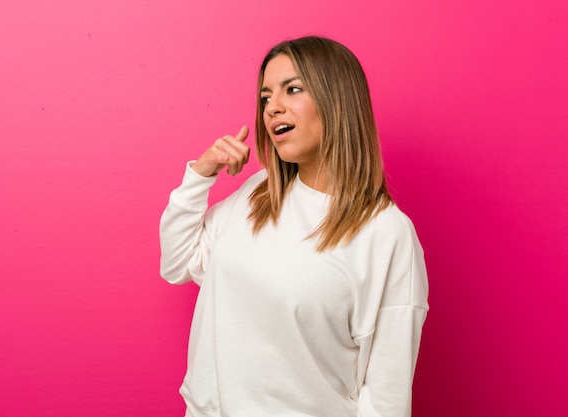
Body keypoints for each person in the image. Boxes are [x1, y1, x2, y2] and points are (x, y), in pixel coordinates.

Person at [159, 36, 429, 417]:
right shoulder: (259, 192)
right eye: (266, 96)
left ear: (337, 101)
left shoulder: (386, 234)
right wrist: (200, 175)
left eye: (293, 89)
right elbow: (176, 263)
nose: (272, 108)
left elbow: (385, 398)